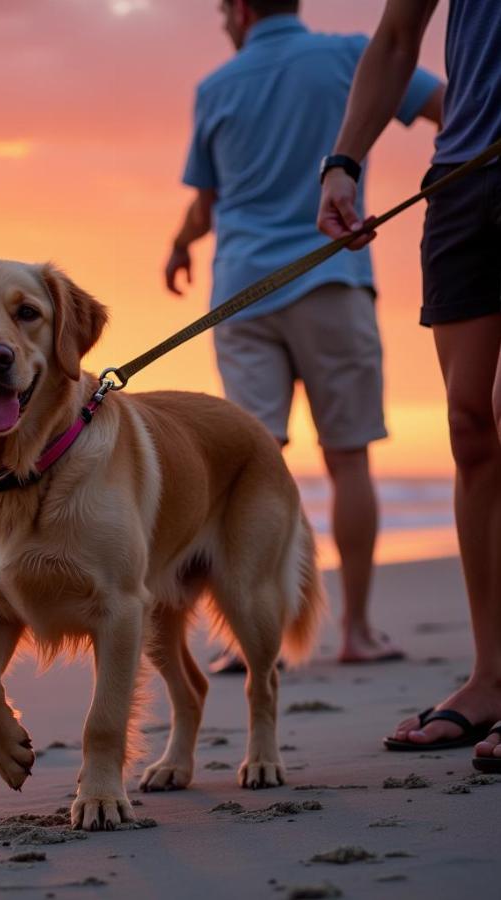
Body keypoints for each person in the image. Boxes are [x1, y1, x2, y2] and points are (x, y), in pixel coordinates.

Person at [166, 0, 443, 673]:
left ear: (238, 10)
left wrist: (179, 244)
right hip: (330, 277)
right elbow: (455, 108)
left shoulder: (217, 87)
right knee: (348, 458)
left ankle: (254, 635)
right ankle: (356, 629)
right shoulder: (353, 54)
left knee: (250, 463)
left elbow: (207, 204)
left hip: (242, 294)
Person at [317, 0, 501, 769]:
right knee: (471, 431)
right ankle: (491, 677)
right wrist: (344, 161)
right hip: (464, 177)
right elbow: (398, 35)